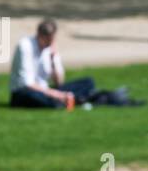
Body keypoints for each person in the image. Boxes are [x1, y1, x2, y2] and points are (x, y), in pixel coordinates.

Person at [8, 19, 139, 109]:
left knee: (88, 82)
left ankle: (74, 99)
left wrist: (53, 60)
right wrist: (58, 94)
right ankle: (82, 99)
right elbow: (28, 84)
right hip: (24, 93)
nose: (49, 43)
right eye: (47, 40)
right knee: (46, 100)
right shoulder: (25, 46)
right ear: (39, 36)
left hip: (47, 90)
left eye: (52, 40)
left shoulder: (50, 48)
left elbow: (59, 82)